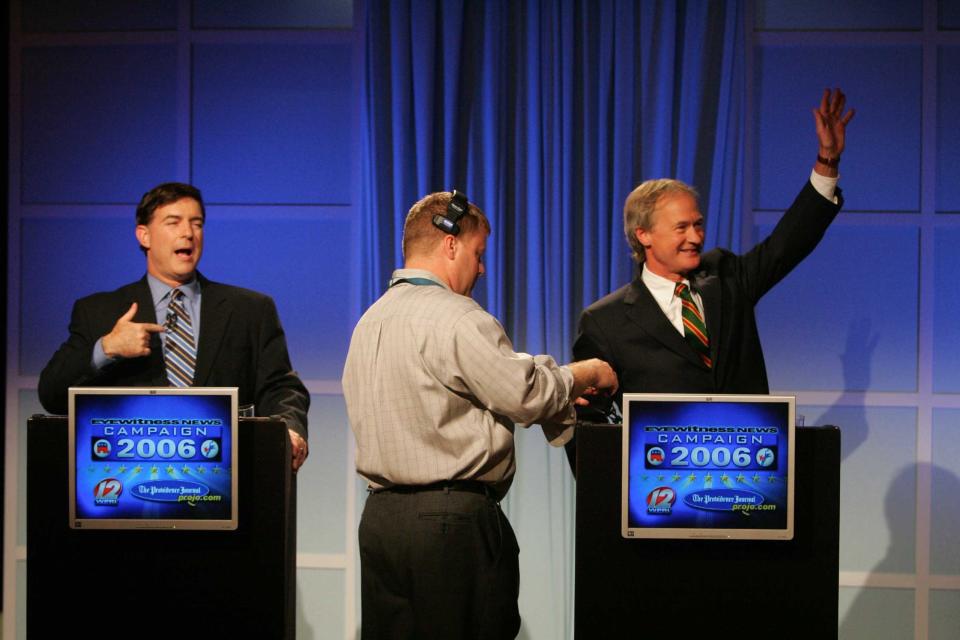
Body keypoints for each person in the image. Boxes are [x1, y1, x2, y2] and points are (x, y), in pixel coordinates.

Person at [342, 190, 618, 639]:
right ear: (450, 244)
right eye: (478, 253)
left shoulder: (369, 322)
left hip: (381, 523)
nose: (482, 268)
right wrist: (585, 373)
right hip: (450, 525)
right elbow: (524, 393)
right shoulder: (458, 318)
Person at [569, 88, 854, 461]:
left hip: (750, 473)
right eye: (682, 227)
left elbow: (786, 245)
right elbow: (589, 423)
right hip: (663, 492)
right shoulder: (605, 321)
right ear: (644, 235)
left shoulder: (728, 277)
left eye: (699, 225)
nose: (696, 237)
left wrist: (827, 161)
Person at [38, 182, 310, 471]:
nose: (188, 233)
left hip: (224, 481)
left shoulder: (250, 310)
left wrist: (290, 428)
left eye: (197, 223)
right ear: (144, 235)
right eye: (173, 222)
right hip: (128, 486)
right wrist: (107, 348)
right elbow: (52, 395)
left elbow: (281, 386)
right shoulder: (98, 311)